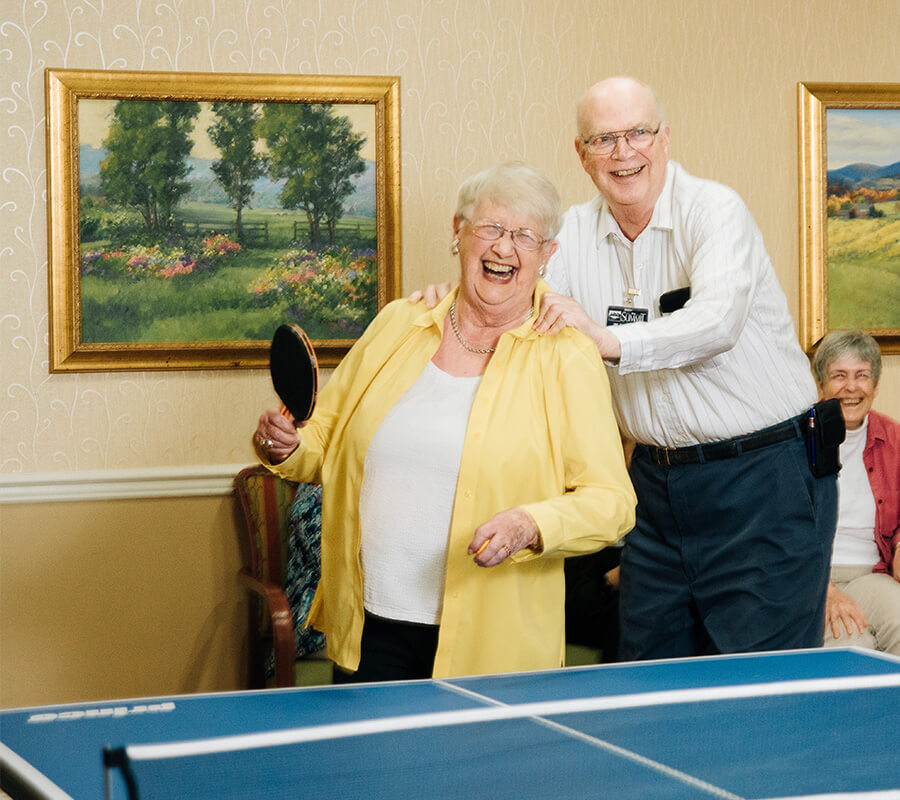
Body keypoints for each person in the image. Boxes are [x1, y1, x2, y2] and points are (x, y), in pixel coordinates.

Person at [413, 77, 838, 660]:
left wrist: (607, 339)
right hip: (655, 488)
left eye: (637, 132)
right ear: (581, 155)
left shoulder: (715, 210)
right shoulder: (572, 237)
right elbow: (519, 307)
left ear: (665, 138)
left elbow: (718, 322)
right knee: (645, 675)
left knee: (758, 693)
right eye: (604, 139)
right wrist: (461, 292)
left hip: (765, 477)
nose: (623, 152)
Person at [254, 162, 636, 682]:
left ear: (547, 254)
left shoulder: (568, 356)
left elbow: (612, 503)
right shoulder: (398, 324)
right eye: (491, 228)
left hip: (493, 645)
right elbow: (324, 437)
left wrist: (531, 525)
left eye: (525, 235)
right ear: (458, 233)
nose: (505, 247)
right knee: (369, 766)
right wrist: (286, 446)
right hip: (370, 628)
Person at [812, 330, 900, 656]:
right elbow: (778, 530)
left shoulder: (895, 439)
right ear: (821, 384)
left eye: (862, 376)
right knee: (852, 646)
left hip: (874, 575)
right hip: (814, 579)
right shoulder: (795, 441)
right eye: (839, 376)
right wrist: (825, 590)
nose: (851, 387)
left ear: (876, 386)